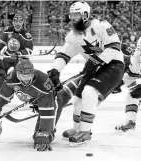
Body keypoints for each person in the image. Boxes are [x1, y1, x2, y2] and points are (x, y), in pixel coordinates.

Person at [47, 1, 124, 145]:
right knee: (77, 99)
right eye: (71, 15)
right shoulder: (73, 36)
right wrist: (55, 70)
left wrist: (95, 60)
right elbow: (64, 54)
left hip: (113, 66)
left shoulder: (101, 25)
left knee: (89, 93)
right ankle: (77, 129)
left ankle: (85, 132)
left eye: (76, 14)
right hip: (93, 67)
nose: (73, 18)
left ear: (85, 14)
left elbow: (114, 47)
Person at [0, 58, 76, 151]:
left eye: (29, 75)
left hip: (53, 103)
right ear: (17, 73)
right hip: (39, 103)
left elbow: (48, 111)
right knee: (39, 137)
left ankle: (76, 84)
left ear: (33, 72)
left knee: (40, 138)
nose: (26, 79)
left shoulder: (43, 83)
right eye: (23, 76)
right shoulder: (11, 78)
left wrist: (45, 133)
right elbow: (4, 95)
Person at [115, 37, 141, 132]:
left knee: (134, 94)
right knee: (132, 95)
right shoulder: (136, 56)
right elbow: (131, 71)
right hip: (133, 72)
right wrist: (117, 83)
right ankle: (131, 122)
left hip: (134, 71)